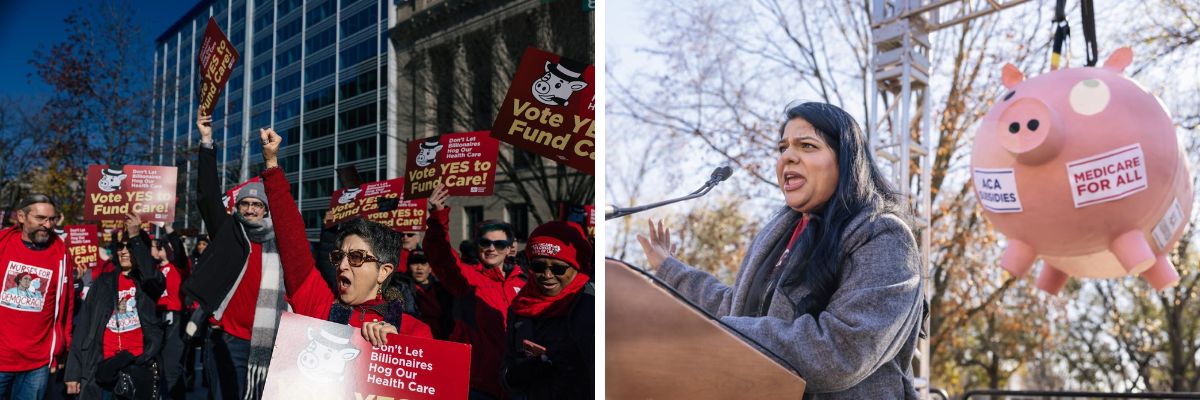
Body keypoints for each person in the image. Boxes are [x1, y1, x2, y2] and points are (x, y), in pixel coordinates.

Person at [637, 102, 924, 397]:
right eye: (782, 147)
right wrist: (669, 268)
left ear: (847, 160)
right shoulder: (777, 236)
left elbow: (842, 351)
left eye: (807, 146)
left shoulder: (883, 236)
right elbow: (734, 309)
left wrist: (723, 332)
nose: (788, 157)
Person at [257, 127, 432, 343]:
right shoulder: (320, 309)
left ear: (383, 271)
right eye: (339, 257)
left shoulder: (415, 332)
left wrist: (398, 347)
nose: (342, 266)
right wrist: (272, 166)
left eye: (356, 257)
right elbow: (292, 243)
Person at [182, 111, 287, 400]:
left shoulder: (281, 242)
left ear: (266, 210)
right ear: (237, 209)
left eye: (257, 204)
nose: (251, 209)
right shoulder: (228, 232)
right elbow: (207, 196)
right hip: (228, 340)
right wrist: (206, 142)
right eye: (245, 204)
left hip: (267, 341)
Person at [424, 184, 526, 400]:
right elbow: (441, 255)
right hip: (478, 384)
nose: (491, 248)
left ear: (509, 248)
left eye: (499, 244)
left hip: (518, 383)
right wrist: (438, 216)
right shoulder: (467, 278)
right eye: (485, 242)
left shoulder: (526, 283)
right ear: (478, 245)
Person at [65, 213, 166, 399]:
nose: (124, 251)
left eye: (130, 247)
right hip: (102, 368)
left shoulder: (148, 283)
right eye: (121, 247)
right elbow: (84, 327)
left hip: (138, 366)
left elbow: (151, 276)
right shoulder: (103, 282)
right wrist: (73, 372)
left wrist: (136, 235)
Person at [501, 221, 594, 399]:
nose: (547, 275)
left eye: (558, 268)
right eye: (538, 266)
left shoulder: (590, 305)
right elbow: (506, 369)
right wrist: (516, 375)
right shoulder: (520, 307)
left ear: (577, 268)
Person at [0, 194, 74, 400]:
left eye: (51, 219)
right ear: (21, 217)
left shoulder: (61, 254)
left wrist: (61, 348)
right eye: (40, 218)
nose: (47, 225)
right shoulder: (3, 244)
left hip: (37, 364)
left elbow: (66, 306)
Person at [151, 236, 186, 399]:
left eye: (160, 247)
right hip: (158, 315)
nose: (157, 250)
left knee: (171, 363)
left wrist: (168, 229)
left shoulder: (177, 267)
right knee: (159, 364)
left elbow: (178, 249)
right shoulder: (155, 269)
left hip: (174, 316)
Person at [408, 250, 454, 340]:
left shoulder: (443, 290)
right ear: (408, 267)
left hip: (439, 340)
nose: (419, 267)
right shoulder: (401, 288)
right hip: (413, 340)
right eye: (414, 263)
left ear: (430, 268)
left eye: (423, 263)